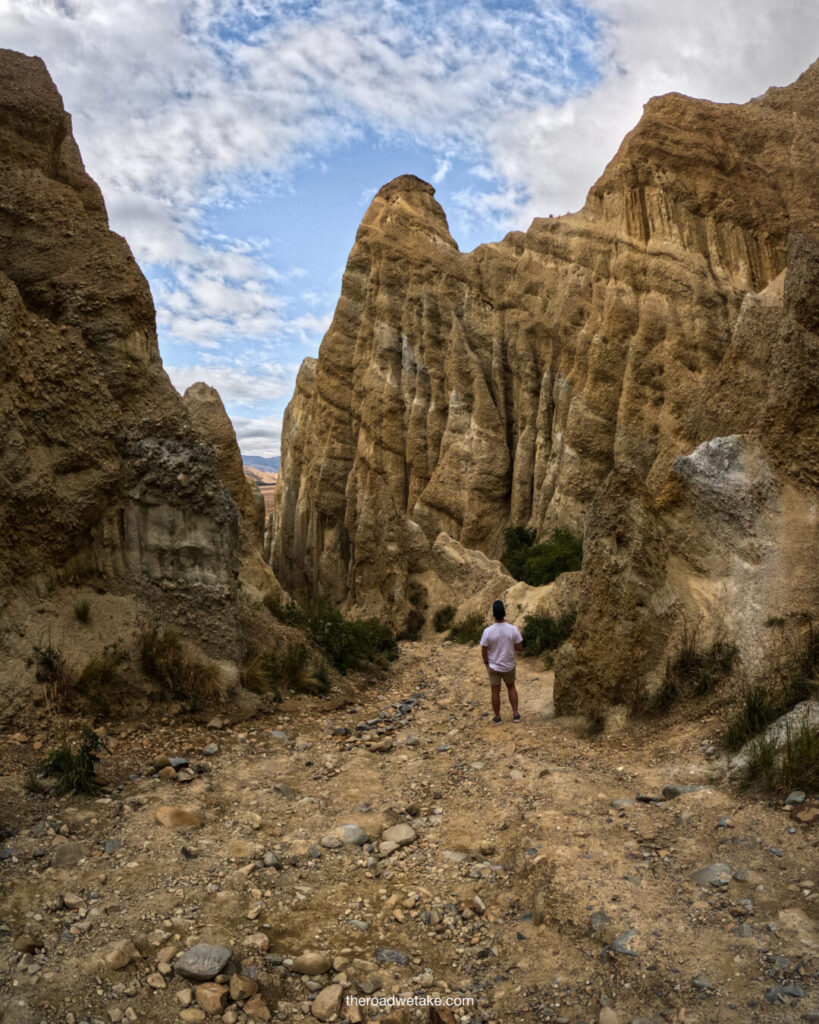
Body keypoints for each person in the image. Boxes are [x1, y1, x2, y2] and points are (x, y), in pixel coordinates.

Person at [480, 599, 523, 723]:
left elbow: (484, 650)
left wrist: (486, 662)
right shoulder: (513, 629)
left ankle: (497, 717)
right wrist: (511, 647)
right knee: (511, 687)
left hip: (493, 666)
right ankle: (515, 714)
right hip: (509, 665)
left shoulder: (487, 631)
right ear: (504, 613)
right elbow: (520, 648)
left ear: (493, 614)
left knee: (495, 691)